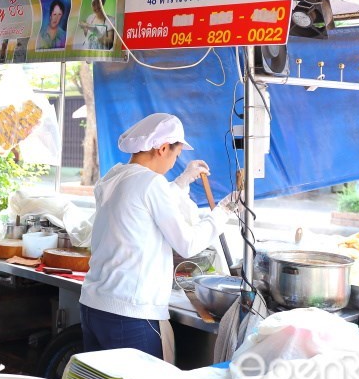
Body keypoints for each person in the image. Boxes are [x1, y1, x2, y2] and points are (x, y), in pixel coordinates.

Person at [79, 113, 239, 363]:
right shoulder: (151, 184)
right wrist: (222, 213)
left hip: (94, 307)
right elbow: (187, 244)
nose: (174, 162)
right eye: (175, 156)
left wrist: (183, 181)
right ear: (162, 148)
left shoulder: (114, 176)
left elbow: (142, 206)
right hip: (130, 313)